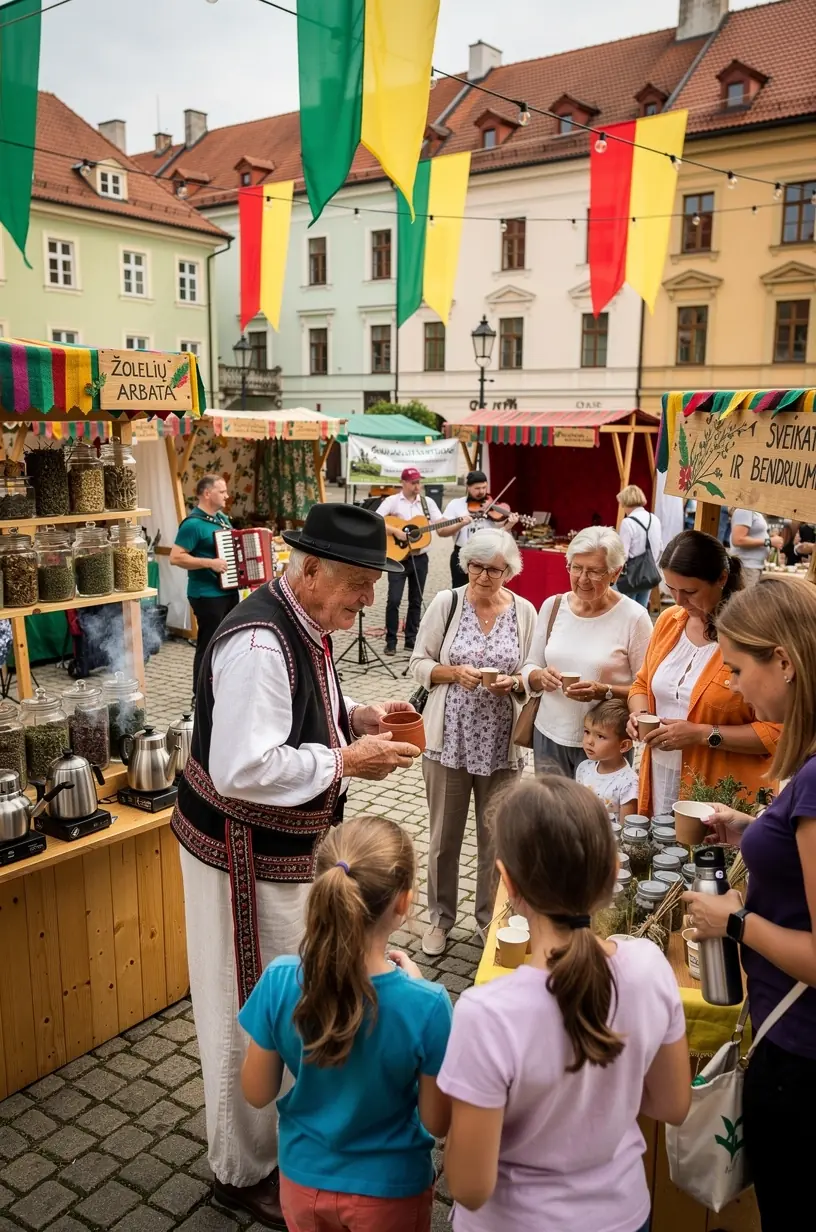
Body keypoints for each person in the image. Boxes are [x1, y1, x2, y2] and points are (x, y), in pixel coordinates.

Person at [172, 503, 421, 1227]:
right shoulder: (258, 641)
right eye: (357, 584)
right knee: (242, 1004)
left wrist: (357, 718)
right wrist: (346, 759)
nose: (369, 599)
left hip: (273, 847)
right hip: (239, 853)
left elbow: (293, 715)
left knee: (274, 993)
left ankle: (270, 1138)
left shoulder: (302, 618)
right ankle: (239, 1169)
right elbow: (245, 764)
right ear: (309, 569)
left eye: (374, 583)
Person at [437, 776, 691, 1232]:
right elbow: (672, 1105)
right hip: (623, 1214)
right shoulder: (650, 967)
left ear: (507, 881)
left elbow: (469, 1186)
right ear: (614, 873)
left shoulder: (486, 1012)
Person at [238, 815, 452, 1232]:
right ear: (404, 903)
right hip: (390, 1192)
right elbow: (437, 1121)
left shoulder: (280, 980)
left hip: (302, 1181)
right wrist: (420, 990)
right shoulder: (428, 1005)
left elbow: (256, 1092)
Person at [684, 575, 816, 1231]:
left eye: (738, 668)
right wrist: (751, 836)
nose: (733, 686)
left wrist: (732, 920)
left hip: (799, 1054)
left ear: (784, 661)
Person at [410, 528, 536, 957]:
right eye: (477, 566)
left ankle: (490, 919)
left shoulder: (524, 611)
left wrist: (514, 681)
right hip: (449, 741)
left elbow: (531, 670)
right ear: (466, 565)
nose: (483, 575)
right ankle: (440, 918)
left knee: (495, 838)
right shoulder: (447, 603)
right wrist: (452, 673)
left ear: (509, 572)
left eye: (494, 569)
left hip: (501, 742)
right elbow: (418, 662)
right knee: (444, 837)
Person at [627, 530, 780, 817]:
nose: (679, 600)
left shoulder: (753, 636)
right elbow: (642, 682)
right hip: (661, 775)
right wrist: (639, 714)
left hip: (722, 792)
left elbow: (777, 733)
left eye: (690, 591)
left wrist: (702, 734)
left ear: (722, 579)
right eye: (672, 589)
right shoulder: (669, 621)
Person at [521, 526, 653, 777]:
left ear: (615, 572)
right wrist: (539, 677)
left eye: (593, 571)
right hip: (549, 735)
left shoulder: (634, 617)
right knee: (551, 814)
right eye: (576, 567)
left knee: (595, 816)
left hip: (606, 745)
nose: (582, 578)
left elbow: (645, 687)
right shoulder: (553, 606)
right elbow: (530, 664)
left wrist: (605, 691)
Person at [170, 475, 236, 700]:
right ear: (207, 493)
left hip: (228, 591)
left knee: (229, 642)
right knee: (208, 644)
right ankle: (199, 695)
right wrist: (210, 563)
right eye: (222, 491)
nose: (226, 496)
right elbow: (176, 557)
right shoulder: (193, 524)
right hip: (206, 595)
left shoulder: (222, 519)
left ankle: (222, 688)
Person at [376, 467, 443, 655]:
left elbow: (440, 521)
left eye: (418, 482)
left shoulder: (426, 502)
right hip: (397, 558)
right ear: (403, 483)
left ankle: (411, 639)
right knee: (394, 599)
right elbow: (376, 520)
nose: (417, 486)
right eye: (413, 483)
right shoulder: (392, 501)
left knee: (416, 599)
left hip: (420, 558)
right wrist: (396, 531)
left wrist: (458, 521)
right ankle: (391, 641)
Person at [438, 469, 519, 588]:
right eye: (477, 488)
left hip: (489, 556)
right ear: (468, 487)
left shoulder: (492, 507)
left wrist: (508, 526)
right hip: (462, 554)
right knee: (461, 591)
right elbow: (441, 531)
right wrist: (460, 524)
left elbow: (500, 536)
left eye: (484, 487)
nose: (481, 492)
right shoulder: (456, 504)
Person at [576, 699, 639, 822]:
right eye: (587, 732)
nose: (589, 741)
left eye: (600, 736)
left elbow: (625, 829)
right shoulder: (584, 768)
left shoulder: (629, 783)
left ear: (623, 746)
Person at [617, 484, 663, 607]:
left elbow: (623, 555)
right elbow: (660, 548)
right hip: (649, 573)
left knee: (625, 610)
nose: (622, 507)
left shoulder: (628, 523)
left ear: (626, 502)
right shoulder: (655, 519)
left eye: (622, 503)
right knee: (641, 610)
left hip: (632, 575)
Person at [729, 508, 781, 586]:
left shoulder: (754, 511)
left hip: (753, 568)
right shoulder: (745, 509)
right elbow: (738, 539)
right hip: (746, 567)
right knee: (746, 597)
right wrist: (769, 541)